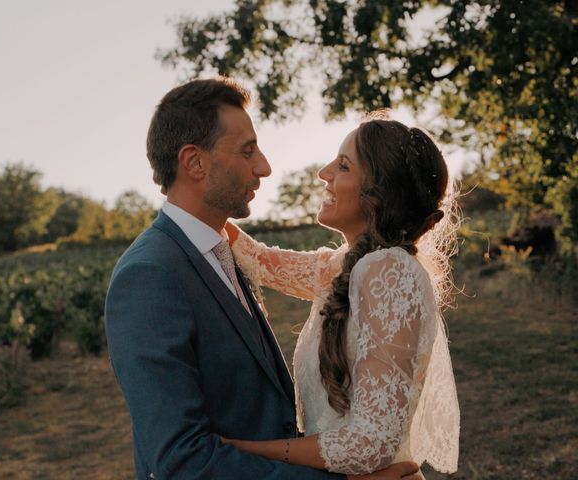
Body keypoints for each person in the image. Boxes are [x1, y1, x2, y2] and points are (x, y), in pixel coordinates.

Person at [105, 78, 421, 480]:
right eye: (247, 151)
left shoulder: (221, 252)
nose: (264, 167)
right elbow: (180, 459)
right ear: (194, 162)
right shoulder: (150, 275)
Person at [222, 112, 460, 477]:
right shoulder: (350, 266)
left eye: (344, 165)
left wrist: (244, 449)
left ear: (377, 195)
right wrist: (198, 198)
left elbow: (372, 442)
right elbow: (260, 261)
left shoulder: (389, 271)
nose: (324, 172)